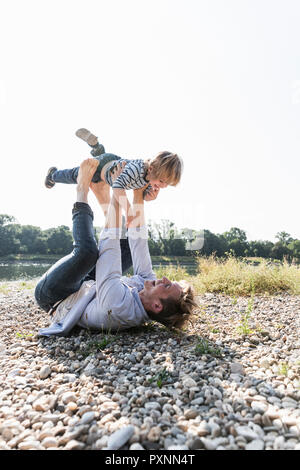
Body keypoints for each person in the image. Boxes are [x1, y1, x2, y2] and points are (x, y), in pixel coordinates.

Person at [36, 158, 197, 337]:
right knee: (129, 245)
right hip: (88, 289)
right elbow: (139, 241)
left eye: (167, 286)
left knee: (87, 253)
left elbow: (109, 246)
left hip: (55, 296)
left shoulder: (117, 306)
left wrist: (117, 188)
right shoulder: (147, 291)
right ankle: (100, 190)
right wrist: (138, 193)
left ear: (157, 306)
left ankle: (82, 190)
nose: (165, 278)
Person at [44, 128, 183, 223]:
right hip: (101, 168)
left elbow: (142, 192)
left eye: (167, 184)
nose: (163, 186)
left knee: (104, 159)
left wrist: (150, 197)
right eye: (162, 181)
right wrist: (129, 212)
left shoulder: (150, 177)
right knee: (76, 175)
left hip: (112, 162)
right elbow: (118, 186)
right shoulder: (136, 170)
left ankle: (97, 147)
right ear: (151, 169)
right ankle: (53, 175)